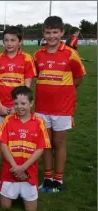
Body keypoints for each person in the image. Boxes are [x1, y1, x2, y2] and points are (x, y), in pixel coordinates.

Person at [34, 16, 86, 193]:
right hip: (42, 107)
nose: (51, 36)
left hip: (62, 108)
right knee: (46, 143)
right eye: (48, 32)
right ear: (43, 33)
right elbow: (36, 75)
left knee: (59, 142)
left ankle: (59, 179)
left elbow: (78, 77)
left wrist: (64, 92)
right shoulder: (38, 54)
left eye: (55, 32)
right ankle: (47, 178)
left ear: (62, 32)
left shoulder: (71, 53)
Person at [0, 86, 51, 211]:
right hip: (10, 171)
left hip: (29, 173)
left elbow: (41, 148)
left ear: (31, 103)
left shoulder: (39, 122)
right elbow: (3, 144)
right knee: (5, 207)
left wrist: (23, 168)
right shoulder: (8, 120)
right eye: (16, 103)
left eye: (23, 103)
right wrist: (15, 166)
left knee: (31, 210)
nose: (19, 106)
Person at [0, 26, 36, 124]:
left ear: (20, 42)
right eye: (6, 40)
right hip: (0, 105)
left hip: (19, 106)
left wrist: (18, 106)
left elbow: (26, 87)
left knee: (16, 136)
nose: (9, 43)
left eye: (13, 40)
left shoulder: (27, 58)